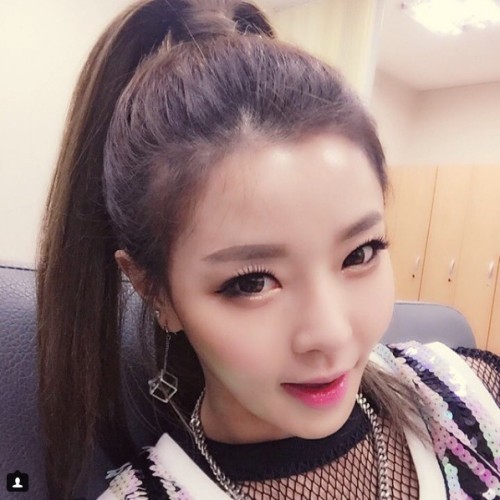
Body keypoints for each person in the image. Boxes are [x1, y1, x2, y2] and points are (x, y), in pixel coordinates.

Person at [36, 0, 500, 499]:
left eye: (360, 253)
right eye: (252, 282)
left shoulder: (466, 395)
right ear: (156, 292)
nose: (332, 335)